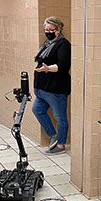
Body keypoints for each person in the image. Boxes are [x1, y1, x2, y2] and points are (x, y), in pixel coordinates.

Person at [32, 16, 71, 154]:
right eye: (45, 29)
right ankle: (54, 136)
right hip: (43, 90)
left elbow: (63, 66)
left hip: (56, 89)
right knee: (37, 110)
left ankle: (60, 145)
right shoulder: (47, 44)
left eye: (50, 30)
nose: (47, 32)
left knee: (60, 117)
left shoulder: (64, 44)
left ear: (58, 30)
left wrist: (47, 68)